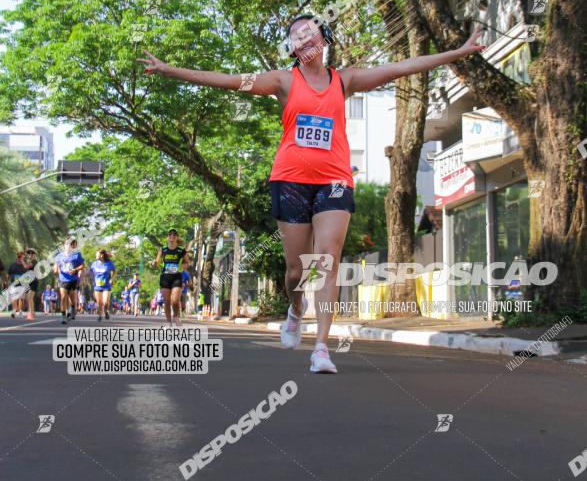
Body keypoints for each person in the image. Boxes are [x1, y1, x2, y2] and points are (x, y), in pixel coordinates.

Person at [140, 19, 484, 373]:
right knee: (295, 272)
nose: (303, 38)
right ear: (291, 49)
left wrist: (457, 53)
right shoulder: (281, 81)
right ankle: (295, 308)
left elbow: (399, 68)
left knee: (325, 262)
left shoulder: (343, 80)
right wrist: (170, 71)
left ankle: (321, 347)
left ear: (324, 39)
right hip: (290, 180)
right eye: (295, 36)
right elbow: (231, 80)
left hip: (334, 180)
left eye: (309, 32)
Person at [150, 230, 188, 326]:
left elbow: (186, 262)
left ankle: (176, 316)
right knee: (166, 301)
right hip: (165, 277)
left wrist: (184, 265)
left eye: (174, 234)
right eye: (170, 234)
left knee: (175, 300)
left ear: (177, 237)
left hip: (176, 277)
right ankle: (168, 322)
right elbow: (158, 262)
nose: (172, 236)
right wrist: (154, 263)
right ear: (167, 237)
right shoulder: (163, 249)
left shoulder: (181, 250)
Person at [54, 238, 85, 325]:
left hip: (73, 279)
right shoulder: (59, 256)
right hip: (63, 279)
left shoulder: (77, 255)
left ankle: (72, 309)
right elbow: (57, 265)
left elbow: (82, 265)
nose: (69, 245)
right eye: (67, 244)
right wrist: (56, 269)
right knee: (63, 298)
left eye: (71, 244)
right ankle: (63, 317)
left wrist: (75, 270)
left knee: (73, 300)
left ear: (72, 246)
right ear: (64, 245)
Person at [91, 249, 116, 322]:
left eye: (97, 254)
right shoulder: (94, 263)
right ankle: (100, 315)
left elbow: (114, 271)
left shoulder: (109, 263)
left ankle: (106, 311)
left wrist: (112, 278)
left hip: (106, 286)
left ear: (101, 255)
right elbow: (90, 272)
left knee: (105, 302)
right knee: (99, 303)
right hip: (97, 286)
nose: (96, 255)